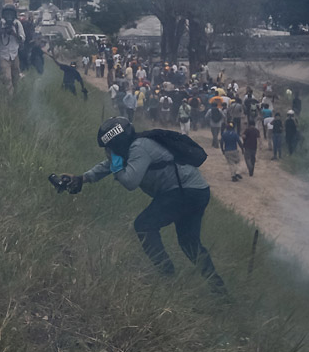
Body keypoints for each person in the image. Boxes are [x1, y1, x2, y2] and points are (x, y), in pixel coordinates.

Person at [60, 118, 225, 292]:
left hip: (184, 192)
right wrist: (81, 179)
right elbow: (108, 165)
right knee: (189, 242)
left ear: (118, 143)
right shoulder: (133, 147)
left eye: (109, 148)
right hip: (195, 191)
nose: (108, 152)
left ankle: (167, 274)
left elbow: (130, 182)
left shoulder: (139, 148)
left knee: (144, 225)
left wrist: (115, 163)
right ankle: (219, 290)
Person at [0, 3, 25, 96]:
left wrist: (13, 33)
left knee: (15, 77)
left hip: (14, 54)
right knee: (6, 78)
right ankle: (9, 98)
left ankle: (15, 94)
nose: (9, 16)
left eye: (11, 14)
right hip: (3, 55)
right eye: (7, 13)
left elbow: (22, 38)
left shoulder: (17, 24)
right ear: (3, 14)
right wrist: (1, 33)